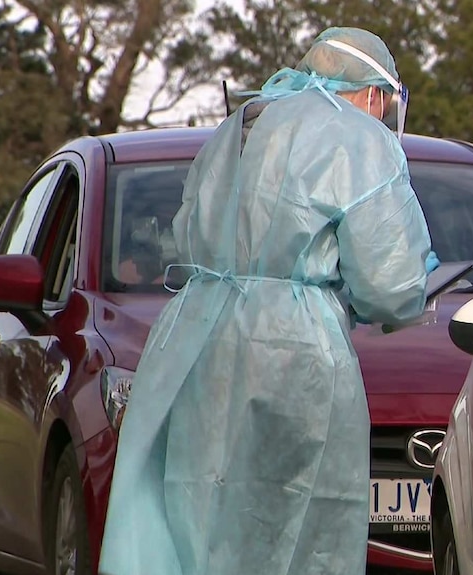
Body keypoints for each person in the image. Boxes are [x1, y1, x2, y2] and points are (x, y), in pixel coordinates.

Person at [99, 27, 437, 575]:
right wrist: (412, 292)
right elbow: (390, 285)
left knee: (201, 516)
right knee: (296, 520)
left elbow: (187, 235)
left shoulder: (237, 128)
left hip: (195, 336)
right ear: (376, 92)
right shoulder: (358, 138)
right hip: (293, 348)